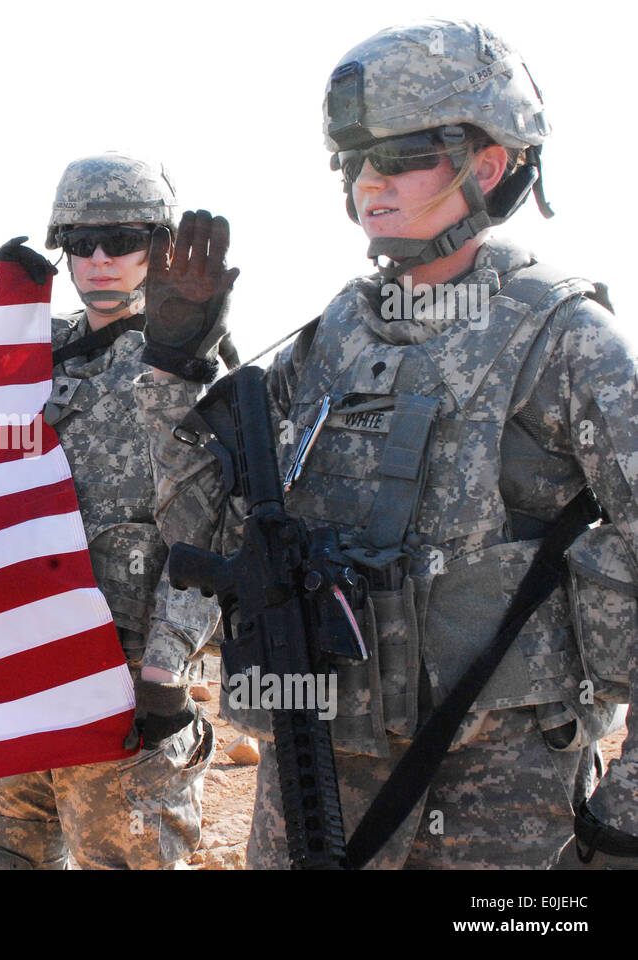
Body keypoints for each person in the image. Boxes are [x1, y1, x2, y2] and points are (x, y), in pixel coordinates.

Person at [138, 19, 638, 869]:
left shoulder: (567, 339)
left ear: (489, 164)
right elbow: (203, 531)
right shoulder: (331, 335)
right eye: (356, 160)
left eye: (403, 155)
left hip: (502, 793)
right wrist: (173, 365)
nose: (371, 182)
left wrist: (628, 811)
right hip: (317, 773)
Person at [0, 152, 217, 869]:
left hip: (123, 682)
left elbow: (208, 537)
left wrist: (165, 675)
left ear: (159, 248)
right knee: (4, 855)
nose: (100, 259)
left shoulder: (186, 370)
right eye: (80, 243)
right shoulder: (33, 356)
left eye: (123, 240)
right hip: (20, 666)